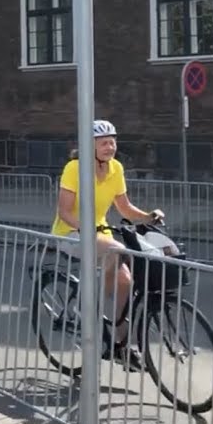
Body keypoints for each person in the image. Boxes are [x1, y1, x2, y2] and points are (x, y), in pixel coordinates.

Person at [51, 119, 163, 365]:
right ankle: (88, 307)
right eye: (103, 143)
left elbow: (124, 207)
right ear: (89, 146)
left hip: (101, 235)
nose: (110, 147)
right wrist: (86, 228)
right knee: (118, 249)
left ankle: (121, 346)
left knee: (126, 279)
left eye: (112, 142)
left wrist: (148, 217)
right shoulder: (74, 168)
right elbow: (65, 212)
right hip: (70, 233)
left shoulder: (116, 168)